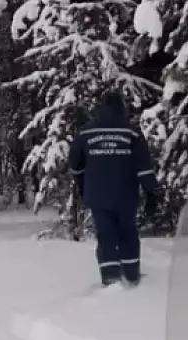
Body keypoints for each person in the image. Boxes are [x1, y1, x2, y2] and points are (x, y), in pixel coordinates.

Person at [68, 91, 158, 287]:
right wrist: (151, 192)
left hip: (97, 195)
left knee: (105, 235)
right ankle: (131, 276)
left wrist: (83, 186)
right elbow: (143, 166)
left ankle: (110, 278)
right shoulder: (131, 132)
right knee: (128, 233)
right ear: (121, 108)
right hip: (126, 194)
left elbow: (75, 165)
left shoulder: (85, 133)